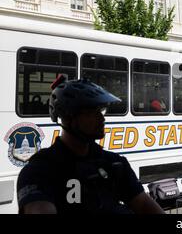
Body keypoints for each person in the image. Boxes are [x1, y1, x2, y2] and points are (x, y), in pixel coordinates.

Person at [16, 75, 165, 214]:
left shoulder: (115, 164)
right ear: (68, 117)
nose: (101, 118)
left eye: (101, 110)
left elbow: (144, 204)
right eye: (91, 112)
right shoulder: (40, 171)